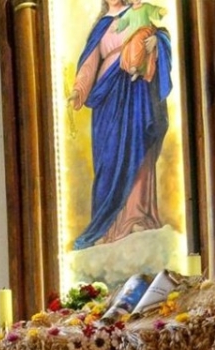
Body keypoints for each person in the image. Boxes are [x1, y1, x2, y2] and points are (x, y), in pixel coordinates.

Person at [68, 0, 172, 250]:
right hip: (107, 94)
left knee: (138, 147)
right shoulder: (101, 26)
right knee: (109, 157)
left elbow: (160, 37)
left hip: (136, 89)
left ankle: (136, 217)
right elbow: (90, 62)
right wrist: (78, 90)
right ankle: (107, 225)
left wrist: (157, 42)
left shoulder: (139, 13)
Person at [113, 1, 166, 82]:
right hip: (134, 34)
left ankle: (135, 64)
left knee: (137, 40)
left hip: (145, 31)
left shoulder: (146, 7)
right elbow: (124, 21)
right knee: (127, 47)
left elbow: (154, 11)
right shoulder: (130, 12)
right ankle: (138, 70)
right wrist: (118, 25)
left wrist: (160, 12)